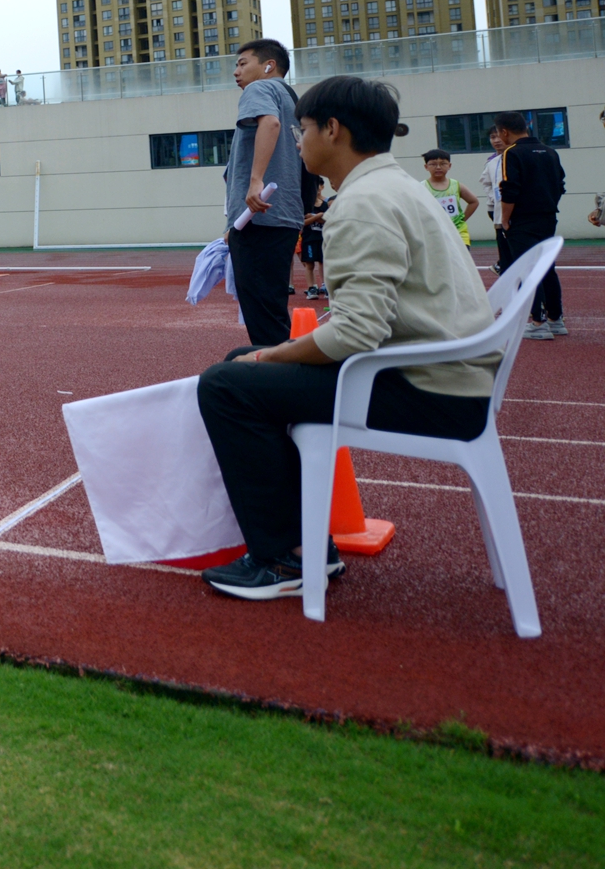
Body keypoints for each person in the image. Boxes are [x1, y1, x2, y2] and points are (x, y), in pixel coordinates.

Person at [196, 76, 497, 600]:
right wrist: (265, 357)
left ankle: (283, 559)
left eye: (302, 129)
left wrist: (270, 355)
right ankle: (303, 545)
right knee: (241, 363)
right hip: (448, 377)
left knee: (226, 385)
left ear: (332, 130)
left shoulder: (361, 203)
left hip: (430, 391)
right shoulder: (398, 186)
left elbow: (357, 332)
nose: (298, 140)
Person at [224, 39, 304, 347]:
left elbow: (269, 123)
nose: (236, 72)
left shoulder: (259, 90)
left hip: (258, 217)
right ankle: (282, 375)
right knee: (272, 310)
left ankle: (279, 383)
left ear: (268, 66)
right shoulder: (293, 101)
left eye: (243, 63)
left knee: (262, 317)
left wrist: (255, 180)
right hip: (284, 217)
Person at [495, 111, 566, 339]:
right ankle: (556, 319)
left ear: (504, 132)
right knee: (547, 267)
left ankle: (537, 322)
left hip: (523, 219)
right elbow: (560, 184)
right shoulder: (550, 151)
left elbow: (510, 189)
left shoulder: (512, 153)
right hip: (547, 216)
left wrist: (505, 219)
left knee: (526, 268)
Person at [421, 149, 478, 247]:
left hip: (458, 232)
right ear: (426, 167)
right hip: (434, 233)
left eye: (443, 164)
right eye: (433, 164)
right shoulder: (421, 187)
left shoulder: (456, 185)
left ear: (449, 166)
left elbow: (474, 202)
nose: (438, 167)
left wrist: (462, 219)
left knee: (462, 261)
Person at [478, 125, 507, 272]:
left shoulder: (514, 156)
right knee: (502, 241)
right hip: (495, 209)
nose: (496, 140)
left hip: (513, 208)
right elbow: (486, 182)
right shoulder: (491, 161)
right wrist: (493, 198)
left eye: (499, 136)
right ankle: (503, 265)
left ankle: (504, 264)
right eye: (492, 137)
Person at [298, 179, 328, 300]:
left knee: (323, 262)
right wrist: (319, 216)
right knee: (309, 264)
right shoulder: (305, 205)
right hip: (309, 239)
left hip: (322, 238)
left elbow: (326, 219)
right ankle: (312, 287)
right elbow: (303, 222)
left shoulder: (325, 204)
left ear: (321, 187)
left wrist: (317, 216)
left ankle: (325, 286)